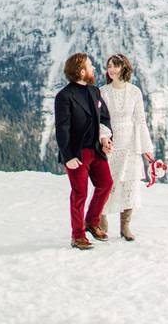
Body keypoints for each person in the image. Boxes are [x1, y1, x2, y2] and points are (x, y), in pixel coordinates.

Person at [54, 52, 114, 250]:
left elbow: (104, 118)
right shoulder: (64, 96)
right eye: (90, 66)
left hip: (96, 150)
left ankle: (91, 222)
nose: (94, 69)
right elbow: (62, 129)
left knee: (106, 184)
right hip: (77, 154)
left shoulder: (94, 92)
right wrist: (68, 156)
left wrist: (105, 139)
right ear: (81, 72)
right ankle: (77, 235)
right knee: (79, 193)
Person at [98, 53, 154, 241]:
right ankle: (101, 220)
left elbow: (140, 120)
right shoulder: (102, 92)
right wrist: (104, 137)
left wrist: (146, 148)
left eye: (115, 66)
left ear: (124, 68)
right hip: (111, 145)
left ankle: (125, 226)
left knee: (130, 184)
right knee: (107, 184)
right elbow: (100, 119)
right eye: (109, 66)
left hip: (131, 144)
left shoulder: (135, 92)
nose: (111, 69)